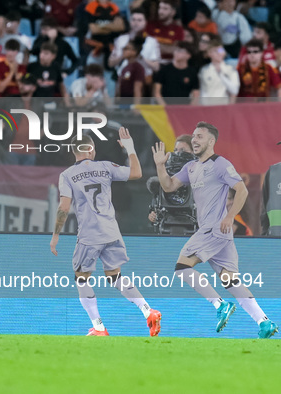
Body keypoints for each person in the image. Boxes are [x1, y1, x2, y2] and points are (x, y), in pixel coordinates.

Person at [151, 121, 278, 338]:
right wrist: (160, 165)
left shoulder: (220, 164)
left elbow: (242, 190)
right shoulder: (191, 167)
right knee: (230, 280)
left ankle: (220, 305)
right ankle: (264, 322)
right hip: (219, 233)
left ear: (211, 141)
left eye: (200, 136)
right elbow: (169, 186)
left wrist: (229, 216)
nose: (194, 139)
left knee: (182, 268)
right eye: (193, 136)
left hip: (213, 229)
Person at [50, 128, 162, 336]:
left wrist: (56, 235)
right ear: (91, 151)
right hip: (111, 231)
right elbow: (136, 173)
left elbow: (64, 207)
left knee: (81, 278)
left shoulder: (67, 175)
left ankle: (99, 326)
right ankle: (148, 311)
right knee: (115, 276)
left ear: (74, 152)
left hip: (89, 234)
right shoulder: (105, 166)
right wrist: (130, 148)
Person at [154, 41, 200, 105]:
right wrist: (165, 107)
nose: (176, 53)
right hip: (166, 108)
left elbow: (196, 94)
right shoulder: (164, 70)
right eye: (176, 50)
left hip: (184, 108)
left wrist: (190, 109)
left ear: (188, 55)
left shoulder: (192, 72)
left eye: (180, 51)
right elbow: (157, 92)